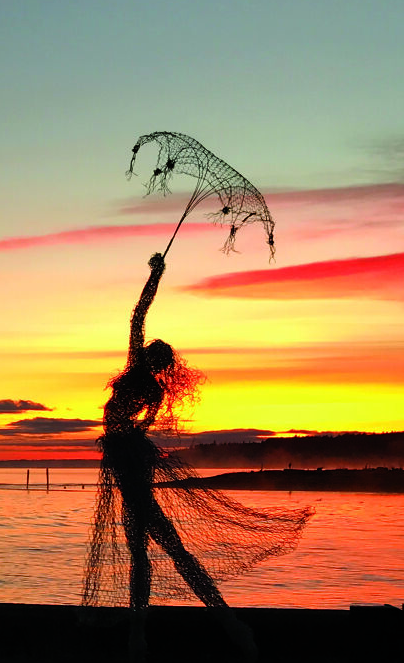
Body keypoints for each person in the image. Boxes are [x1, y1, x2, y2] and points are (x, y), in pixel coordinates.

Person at [82, 253, 311, 616]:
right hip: (132, 455)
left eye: (152, 353)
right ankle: (187, 621)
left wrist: (155, 274)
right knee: (152, 545)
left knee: (150, 545)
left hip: (130, 456)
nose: (147, 352)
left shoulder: (140, 377)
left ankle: (201, 621)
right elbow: (138, 319)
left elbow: (138, 316)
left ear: (153, 360)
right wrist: (156, 275)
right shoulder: (151, 388)